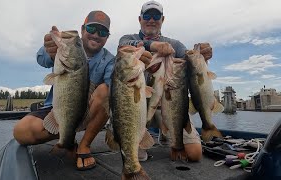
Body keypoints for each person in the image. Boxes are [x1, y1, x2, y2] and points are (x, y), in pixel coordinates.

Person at [13, 10, 115, 171]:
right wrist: (50, 49)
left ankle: (84, 146)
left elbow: (116, 88)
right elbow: (41, 59)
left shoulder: (110, 60)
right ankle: (67, 139)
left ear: (107, 37)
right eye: (91, 29)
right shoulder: (64, 48)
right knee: (20, 132)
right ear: (82, 30)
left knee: (106, 91)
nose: (96, 34)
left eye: (102, 32)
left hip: (87, 112)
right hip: (55, 108)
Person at [119, 0, 213, 162]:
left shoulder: (176, 45)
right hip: (138, 107)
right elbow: (123, 46)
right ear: (140, 19)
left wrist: (202, 56)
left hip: (171, 105)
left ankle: (167, 134)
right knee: (135, 155)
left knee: (194, 154)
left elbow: (191, 61)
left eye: (156, 15)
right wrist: (152, 45)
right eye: (147, 15)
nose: (151, 19)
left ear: (162, 20)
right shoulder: (129, 39)